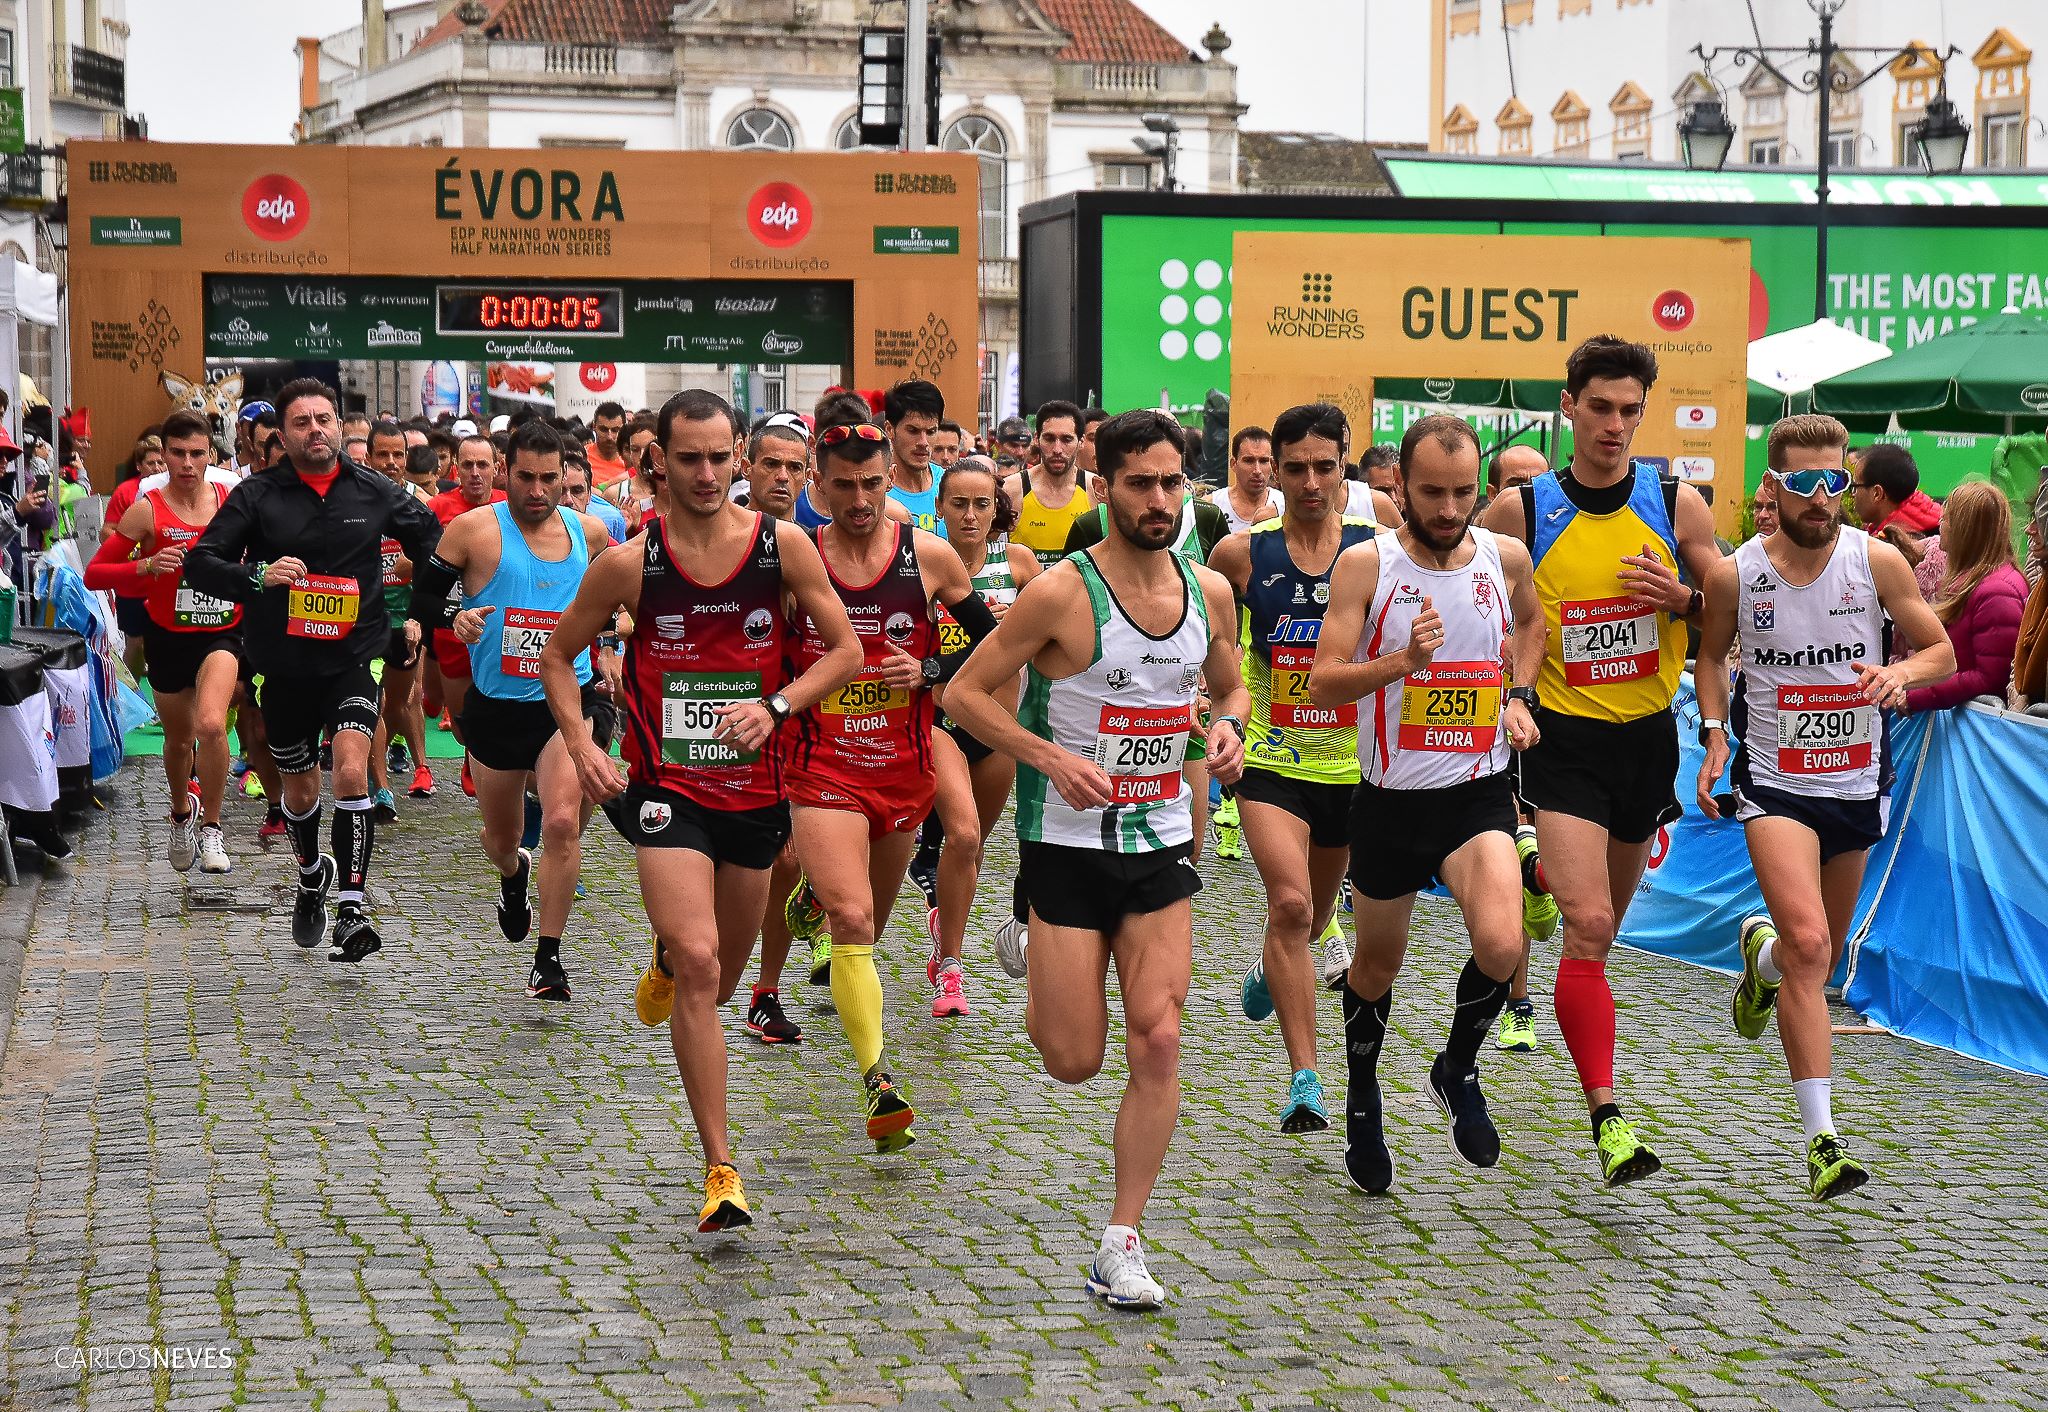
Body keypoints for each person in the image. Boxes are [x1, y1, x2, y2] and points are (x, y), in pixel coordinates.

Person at [946, 408, 1248, 1312]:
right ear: (1103, 484)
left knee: (1158, 1036)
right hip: (1065, 844)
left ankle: (1121, 1241)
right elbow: (964, 693)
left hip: (1160, 842)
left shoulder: (1209, 591)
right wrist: (1047, 757)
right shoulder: (1062, 595)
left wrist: (1227, 727)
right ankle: (1030, 935)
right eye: (1140, 483)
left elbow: (1229, 682)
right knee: (1075, 1059)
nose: (1158, 500)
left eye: (1171, 483)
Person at [542, 389, 861, 1232]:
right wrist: (582, 745)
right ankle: (722, 1167)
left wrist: (780, 707)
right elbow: (556, 656)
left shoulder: (782, 547)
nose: (710, 474)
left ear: (744, 459)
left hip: (756, 795)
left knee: (714, 970)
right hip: (667, 790)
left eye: (724, 457)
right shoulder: (627, 566)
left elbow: (848, 649)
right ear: (660, 463)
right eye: (691, 458)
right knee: (701, 961)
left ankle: (667, 959)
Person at [1476, 334, 1722, 1186]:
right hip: (1563, 741)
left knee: (1601, 927)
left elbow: (1728, 615)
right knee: (1590, 930)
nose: (1615, 426)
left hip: (1647, 739)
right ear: (1570, 407)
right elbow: (1469, 599)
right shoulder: (1523, 509)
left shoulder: (1673, 501)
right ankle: (1608, 1117)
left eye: (1630, 411)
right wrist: (1507, 689)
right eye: (1601, 408)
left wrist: (1684, 599)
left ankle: (1536, 875)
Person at [1694, 413, 1953, 1200]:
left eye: (1833, 480)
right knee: (1812, 942)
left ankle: (1760, 960)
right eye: (1803, 483)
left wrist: (1902, 676)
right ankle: (1823, 1141)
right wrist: (1712, 735)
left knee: (1818, 954)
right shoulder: (1737, 573)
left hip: (1854, 783)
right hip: (1773, 785)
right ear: (1774, 486)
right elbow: (1709, 657)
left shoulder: (1875, 563)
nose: (1820, 497)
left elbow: (1940, 648)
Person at [1310, 413, 1546, 1193]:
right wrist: (1401, 663)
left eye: (1462, 492)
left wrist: (1518, 694)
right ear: (1400, 488)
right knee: (1376, 965)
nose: (1449, 510)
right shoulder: (1365, 566)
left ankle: (1457, 1068)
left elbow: (1535, 625)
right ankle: (1362, 1097)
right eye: (1431, 493)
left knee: (1504, 945)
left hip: (1477, 792)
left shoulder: (1505, 556)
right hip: (1388, 800)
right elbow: (1323, 680)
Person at [784, 420, 995, 1152]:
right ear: (819, 482)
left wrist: (931, 672)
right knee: (854, 923)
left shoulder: (928, 557)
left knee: (863, 908)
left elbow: (995, 643)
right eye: (842, 484)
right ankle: (877, 1079)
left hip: (903, 766)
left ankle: (809, 892)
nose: (860, 499)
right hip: (821, 764)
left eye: (872, 483)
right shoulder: (796, 559)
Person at [184, 379, 441, 962]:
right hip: (283, 664)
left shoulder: (374, 490)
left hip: (354, 656)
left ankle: (352, 909)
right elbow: (202, 563)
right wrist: (258, 577)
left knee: (351, 771)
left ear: (339, 426)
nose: (317, 430)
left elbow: (435, 542)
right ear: (283, 434)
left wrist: (425, 605)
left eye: (325, 419)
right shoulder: (257, 496)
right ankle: (309, 873)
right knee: (300, 793)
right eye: (303, 423)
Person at [1206, 402, 1379, 1135]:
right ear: (1271, 470)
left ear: (1345, 469)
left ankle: (1266, 974)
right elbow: (1211, 661)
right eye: (1296, 467)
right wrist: (1220, 721)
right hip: (1272, 758)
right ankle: (1304, 1078)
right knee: (1293, 908)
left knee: (1309, 920)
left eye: (1325, 467)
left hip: (1352, 764)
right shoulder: (1240, 555)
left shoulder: (1379, 551)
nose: (1311, 482)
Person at [414, 422, 614, 999]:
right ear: (506, 471)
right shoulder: (473, 531)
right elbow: (426, 596)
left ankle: (549, 957)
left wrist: (612, 643)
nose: (537, 490)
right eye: (525, 477)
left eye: (550, 479)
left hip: (567, 704)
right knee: (501, 839)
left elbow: (615, 605)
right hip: (496, 708)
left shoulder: (592, 533)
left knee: (558, 820)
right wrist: (456, 617)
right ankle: (513, 875)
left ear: (567, 478)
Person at [86, 411, 243, 874]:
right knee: (178, 743)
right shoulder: (146, 508)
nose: (188, 463)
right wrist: (147, 566)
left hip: (221, 630)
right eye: (178, 453)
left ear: (210, 455)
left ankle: (212, 827)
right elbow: (96, 572)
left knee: (212, 725)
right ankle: (180, 815)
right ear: (164, 456)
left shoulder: (229, 502)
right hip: (168, 634)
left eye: (197, 454)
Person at [922, 455, 1040, 1017]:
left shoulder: (1018, 564)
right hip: (940, 721)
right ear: (939, 507)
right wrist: (932, 673)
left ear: (999, 510)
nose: (969, 516)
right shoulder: (921, 563)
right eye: (958, 504)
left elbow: (1048, 639)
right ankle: (951, 970)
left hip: (1001, 727)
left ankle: (941, 924)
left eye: (981, 505)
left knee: (967, 849)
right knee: (963, 836)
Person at [423, 434, 507, 784]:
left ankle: (489, 764)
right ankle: (471, 749)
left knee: (500, 708)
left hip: (499, 625)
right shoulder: (436, 509)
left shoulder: (509, 505)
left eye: (482, 465)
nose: (475, 473)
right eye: (468, 465)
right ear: (455, 468)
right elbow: (416, 566)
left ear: (496, 468)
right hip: (452, 625)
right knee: (460, 727)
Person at [1900, 481, 2025, 715]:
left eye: (1945, 518)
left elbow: (1990, 677)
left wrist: (1917, 696)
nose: (1939, 524)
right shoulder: (1977, 580)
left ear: (1964, 528)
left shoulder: (1998, 592)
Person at [364, 423, 434, 814]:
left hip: (406, 623)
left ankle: (404, 759)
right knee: (372, 701)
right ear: (370, 457)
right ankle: (381, 787)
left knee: (398, 703)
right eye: (382, 455)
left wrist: (420, 615)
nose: (391, 463)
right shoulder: (353, 498)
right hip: (365, 619)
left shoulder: (420, 502)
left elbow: (438, 563)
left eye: (398, 455)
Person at [1006, 401, 1091, 567]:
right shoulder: (1011, 490)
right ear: (1037, 439)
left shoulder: (1095, 490)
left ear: (1081, 442)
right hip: (1026, 592)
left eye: (1067, 439)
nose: (1057, 449)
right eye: (1049, 438)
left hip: (1079, 592)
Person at [882, 379, 945, 533]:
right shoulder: (876, 489)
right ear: (890, 429)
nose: (923, 442)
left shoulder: (949, 483)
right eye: (913, 431)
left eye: (931, 432)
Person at [1207, 426, 1283, 534]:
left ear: (1273, 465)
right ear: (1234, 464)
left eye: (1263, 461)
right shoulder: (1212, 505)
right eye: (1249, 461)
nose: (1257, 470)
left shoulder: (1284, 507)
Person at [563, 457, 629, 545]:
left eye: (577, 491)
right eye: (560, 491)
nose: (568, 500)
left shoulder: (608, 537)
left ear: (589, 496)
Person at [586, 401, 631, 490]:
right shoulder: (582, 456)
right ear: (594, 427)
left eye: (615, 430)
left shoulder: (632, 459)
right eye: (603, 430)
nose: (609, 437)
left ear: (624, 428)